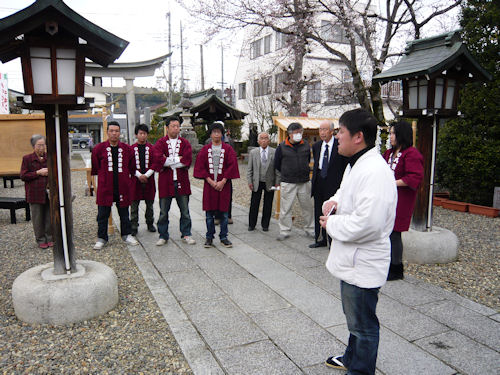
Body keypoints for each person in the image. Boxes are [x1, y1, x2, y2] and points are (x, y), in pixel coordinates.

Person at [320, 108, 397, 375]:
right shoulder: (359, 164)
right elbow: (347, 191)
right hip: (353, 259)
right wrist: (335, 201)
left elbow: (369, 223)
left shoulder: (374, 171)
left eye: (340, 131)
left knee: (363, 325)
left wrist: (332, 223)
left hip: (363, 261)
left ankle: (360, 369)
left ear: (358, 137)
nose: (336, 136)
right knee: (355, 320)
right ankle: (351, 357)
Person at [383, 121, 424, 280]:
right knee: (386, 232)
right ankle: (387, 264)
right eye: (391, 133)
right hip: (387, 198)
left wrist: (392, 183)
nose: (391, 136)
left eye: (393, 133)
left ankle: (396, 268)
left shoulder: (412, 154)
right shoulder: (388, 153)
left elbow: (414, 177)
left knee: (394, 233)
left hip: (401, 200)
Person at [91, 121, 138, 250]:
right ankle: (102, 237)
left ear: (119, 133)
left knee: (124, 213)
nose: (114, 133)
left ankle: (126, 234)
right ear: (107, 132)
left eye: (116, 131)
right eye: (111, 131)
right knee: (102, 214)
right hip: (105, 186)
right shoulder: (98, 149)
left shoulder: (127, 149)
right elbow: (95, 168)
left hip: (122, 186)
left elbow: (132, 167)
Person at [194, 122, 239, 248]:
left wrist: (223, 181)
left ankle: (224, 237)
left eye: (219, 132)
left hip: (224, 185)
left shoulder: (228, 149)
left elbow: (232, 166)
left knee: (224, 213)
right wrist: (210, 181)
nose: (216, 134)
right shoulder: (205, 149)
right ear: (211, 134)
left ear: (222, 134)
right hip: (209, 186)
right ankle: (209, 237)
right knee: (209, 214)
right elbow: (200, 167)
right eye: (214, 132)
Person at [153, 116, 196, 246]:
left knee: (185, 211)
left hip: (181, 180)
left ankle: (186, 233)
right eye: (173, 126)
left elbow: (187, 160)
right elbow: (159, 160)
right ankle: (163, 235)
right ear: (167, 128)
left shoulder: (184, 143)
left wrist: (169, 161)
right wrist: (178, 159)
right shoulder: (160, 143)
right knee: (163, 211)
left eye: (178, 126)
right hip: (166, 181)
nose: (176, 128)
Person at [309, 120, 348, 248]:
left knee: (331, 212)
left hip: (333, 183)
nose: (322, 132)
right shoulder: (317, 146)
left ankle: (333, 240)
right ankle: (320, 238)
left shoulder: (339, 145)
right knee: (318, 211)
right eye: (320, 130)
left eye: (325, 129)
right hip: (319, 181)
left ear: (332, 131)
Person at [274, 122, 315, 240]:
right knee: (286, 208)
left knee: (307, 207)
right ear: (290, 134)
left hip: (304, 181)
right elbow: (277, 164)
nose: (299, 135)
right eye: (296, 133)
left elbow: (307, 160)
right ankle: (284, 230)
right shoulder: (282, 147)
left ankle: (310, 229)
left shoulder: (306, 145)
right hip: (288, 181)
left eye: (300, 132)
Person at [20, 134, 53, 249]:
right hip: (34, 192)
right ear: (34, 146)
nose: (42, 148)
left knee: (50, 216)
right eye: (39, 145)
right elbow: (23, 175)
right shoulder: (27, 159)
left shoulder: (49, 157)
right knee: (37, 217)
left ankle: (50, 237)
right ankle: (40, 239)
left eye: (43, 145)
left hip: (49, 192)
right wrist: (38, 173)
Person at [247, 132, 279, 231]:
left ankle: (265, 225)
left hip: (270, 181)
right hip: (257, 181)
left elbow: (277, 169)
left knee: (268, 204)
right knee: (254, 204)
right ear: (258, 141)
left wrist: (277, 182)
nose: (264, 140)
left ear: (269, 141)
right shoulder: (253, 152)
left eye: (266, 138)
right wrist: (250, 181)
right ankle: (251, 224)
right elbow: (249, 169)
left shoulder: (274, 152)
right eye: (262, 138)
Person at [130, 124, 156, 236]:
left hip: (149, 179)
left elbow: (156, 163)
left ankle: (150, 223)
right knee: (134, 204)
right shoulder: (131, 149)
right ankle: (134, 226)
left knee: (149, 204)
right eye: (140, 133)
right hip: (135, 180)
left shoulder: (152, 148)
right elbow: (129, 165)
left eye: (144, 133)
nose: (142, 136)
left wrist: (147, 174)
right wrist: (139, 175)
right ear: (136, 134)